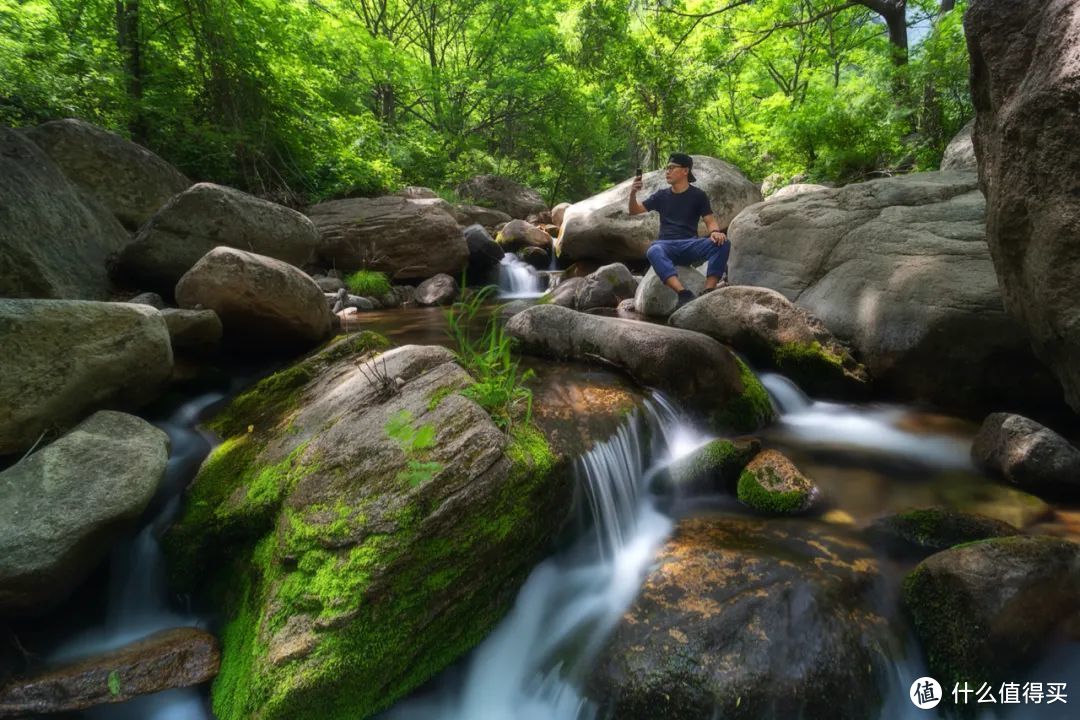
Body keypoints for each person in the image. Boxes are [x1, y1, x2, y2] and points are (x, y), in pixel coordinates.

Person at [629, 153, 729, 309]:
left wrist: (715, 232)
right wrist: (633, 193)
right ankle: (683, 293)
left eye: (671, 168)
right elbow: (634, 210)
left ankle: (709, 290)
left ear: (685, 171)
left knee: (723, 243)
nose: (667, 172)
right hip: (666, 246)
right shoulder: (661, 196)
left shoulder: (698, 195)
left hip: (690, 245)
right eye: (666, 168)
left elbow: (710, 221)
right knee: (653, 250)